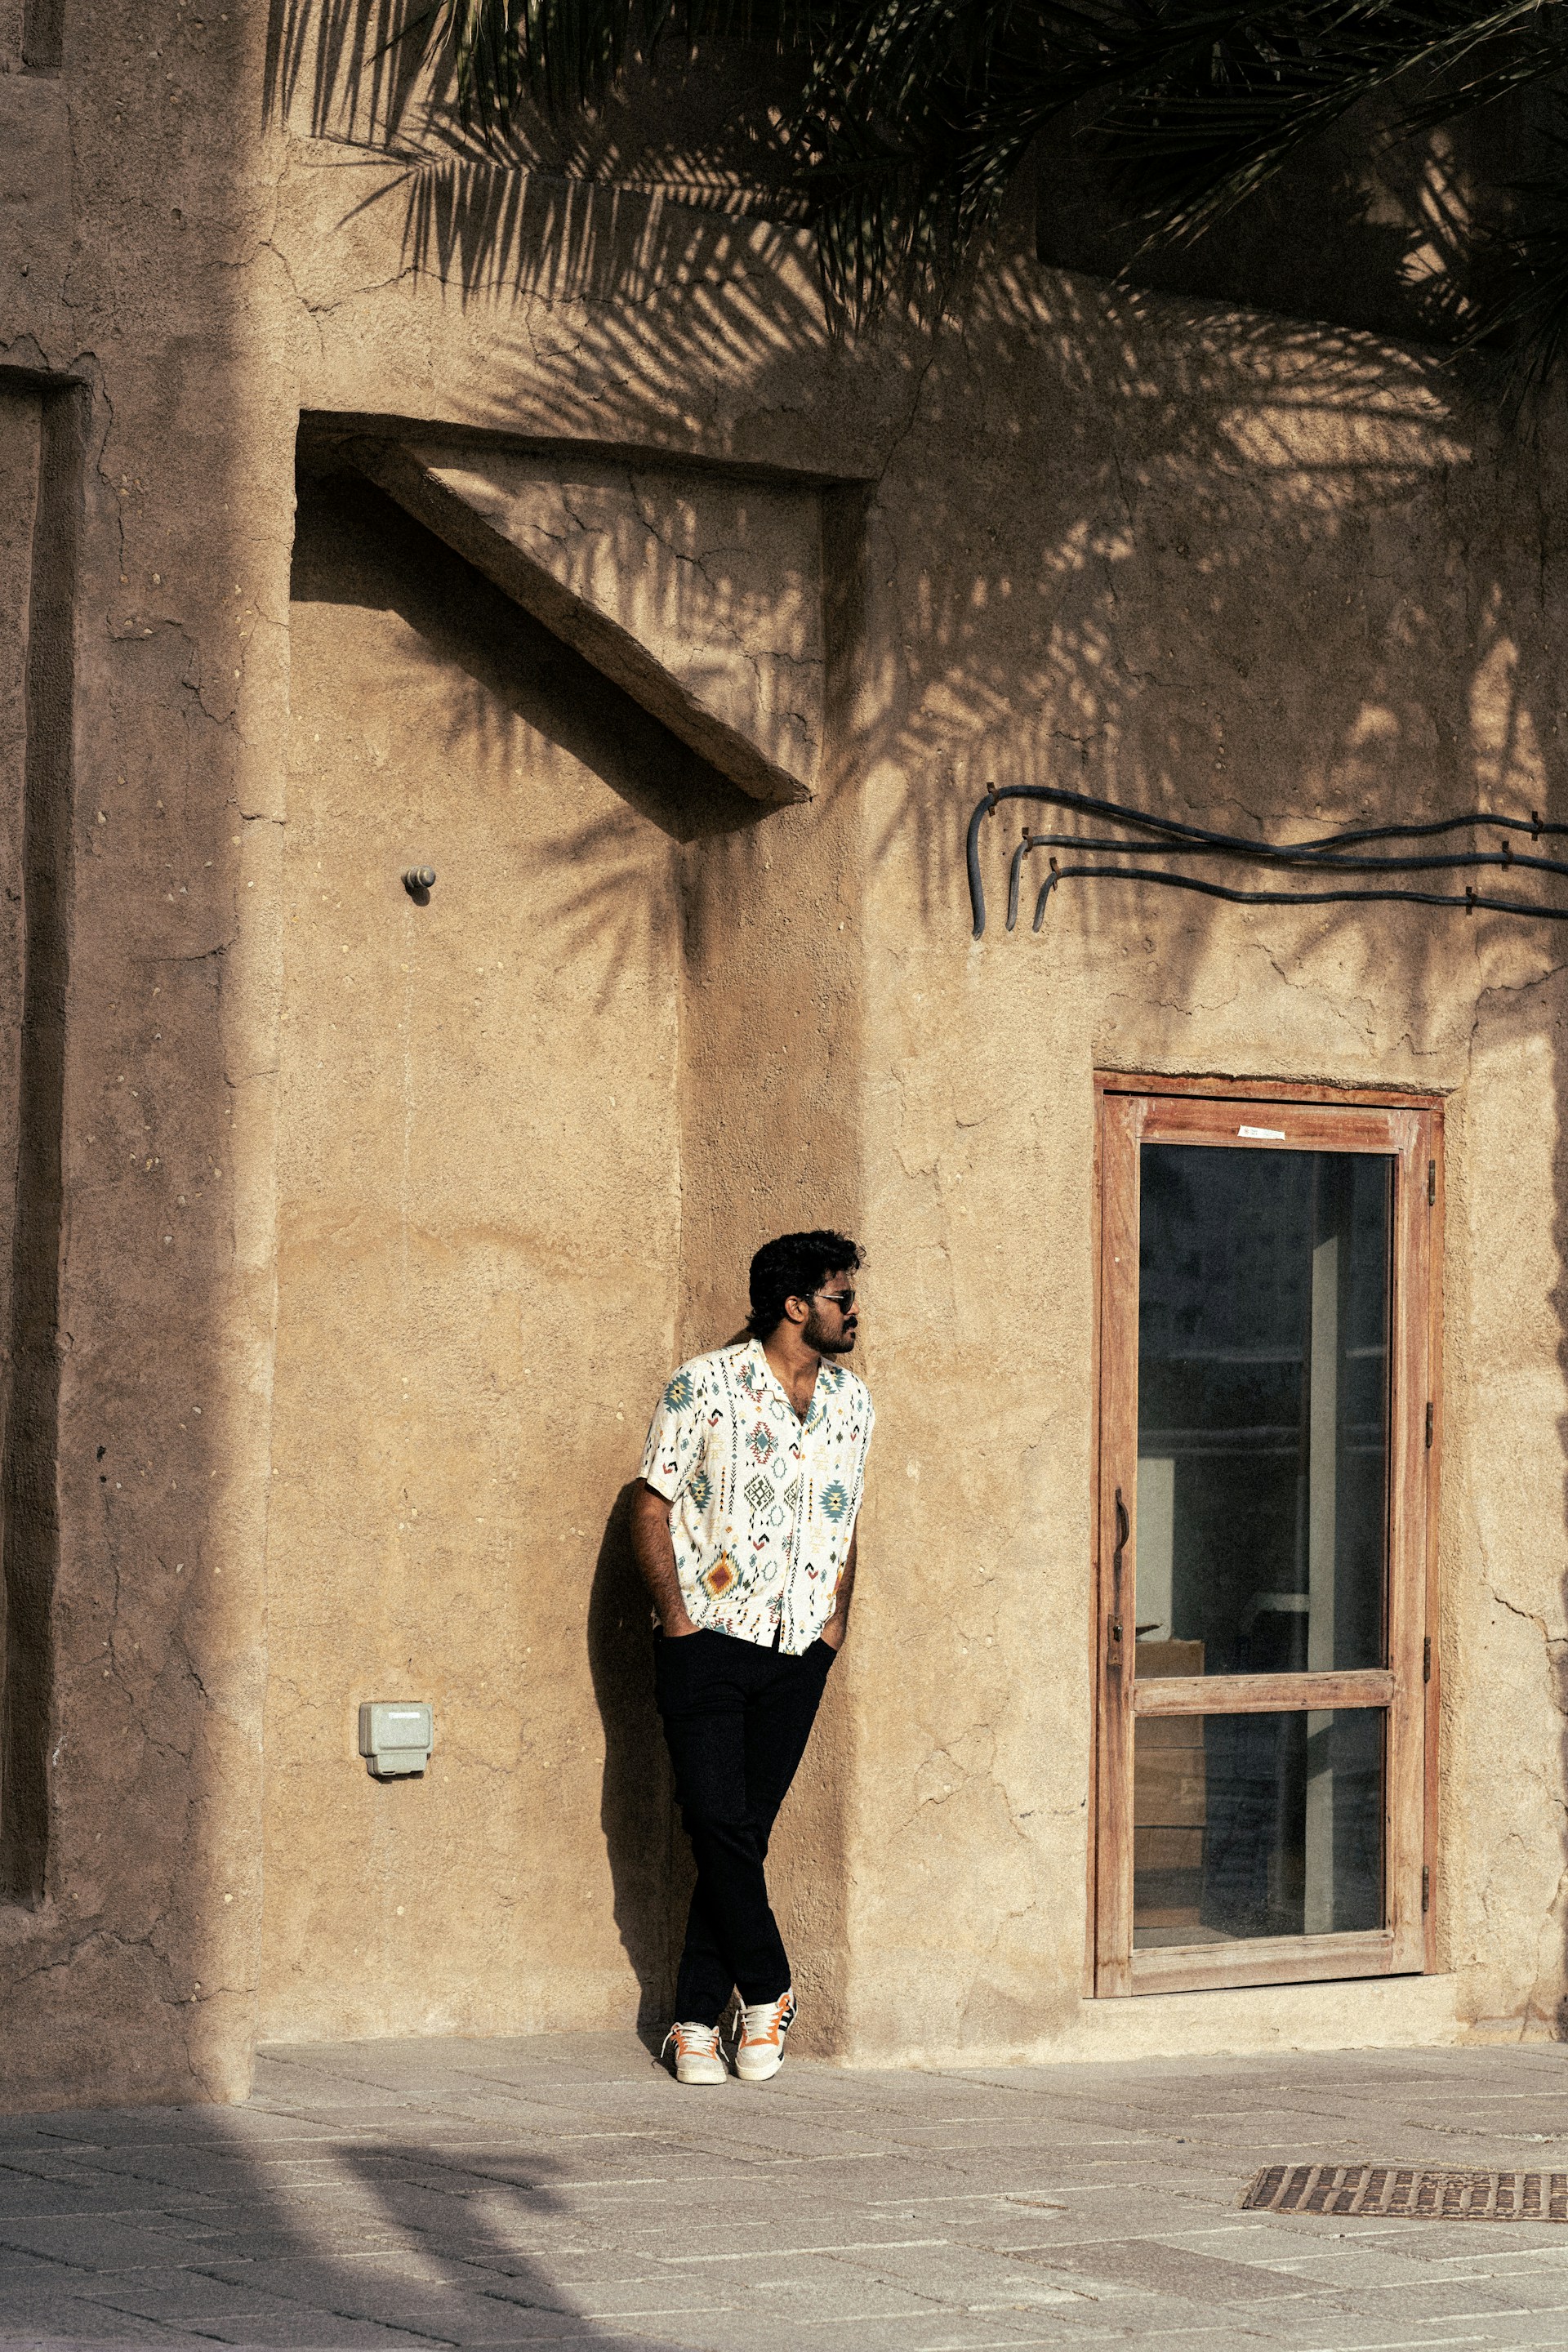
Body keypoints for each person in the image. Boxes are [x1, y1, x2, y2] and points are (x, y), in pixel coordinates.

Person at [630, 1231, 874, 2086]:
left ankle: (695, 2020)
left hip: (799, 1645)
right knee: (712, 1820)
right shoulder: (705, 1384)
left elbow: (846, 1522)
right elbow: (651, 1504)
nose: (856, 1312)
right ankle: (767, 1988)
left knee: (740, 1832)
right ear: (796, 1305)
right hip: (706, 1639)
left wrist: (833, 1626)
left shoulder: (852, 1403)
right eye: (843, 1297)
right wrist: (677, 1621)